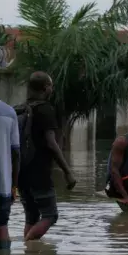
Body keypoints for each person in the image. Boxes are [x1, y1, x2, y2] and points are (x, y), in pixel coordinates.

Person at [16, 71, 76, 241]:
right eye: (51, 85)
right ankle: (28, 244)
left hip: (20, 172)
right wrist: (67, 172)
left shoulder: (20, 108)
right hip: (39, 172)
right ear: (46, 87)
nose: (52, 89)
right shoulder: (45, 110)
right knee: (51, 215)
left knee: (31, 216)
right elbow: (51, 143)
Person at [0, 69, 20, 251]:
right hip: (2, 184)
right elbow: (16, 152)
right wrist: (14, 185)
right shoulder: (9, 112)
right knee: (2, 226)